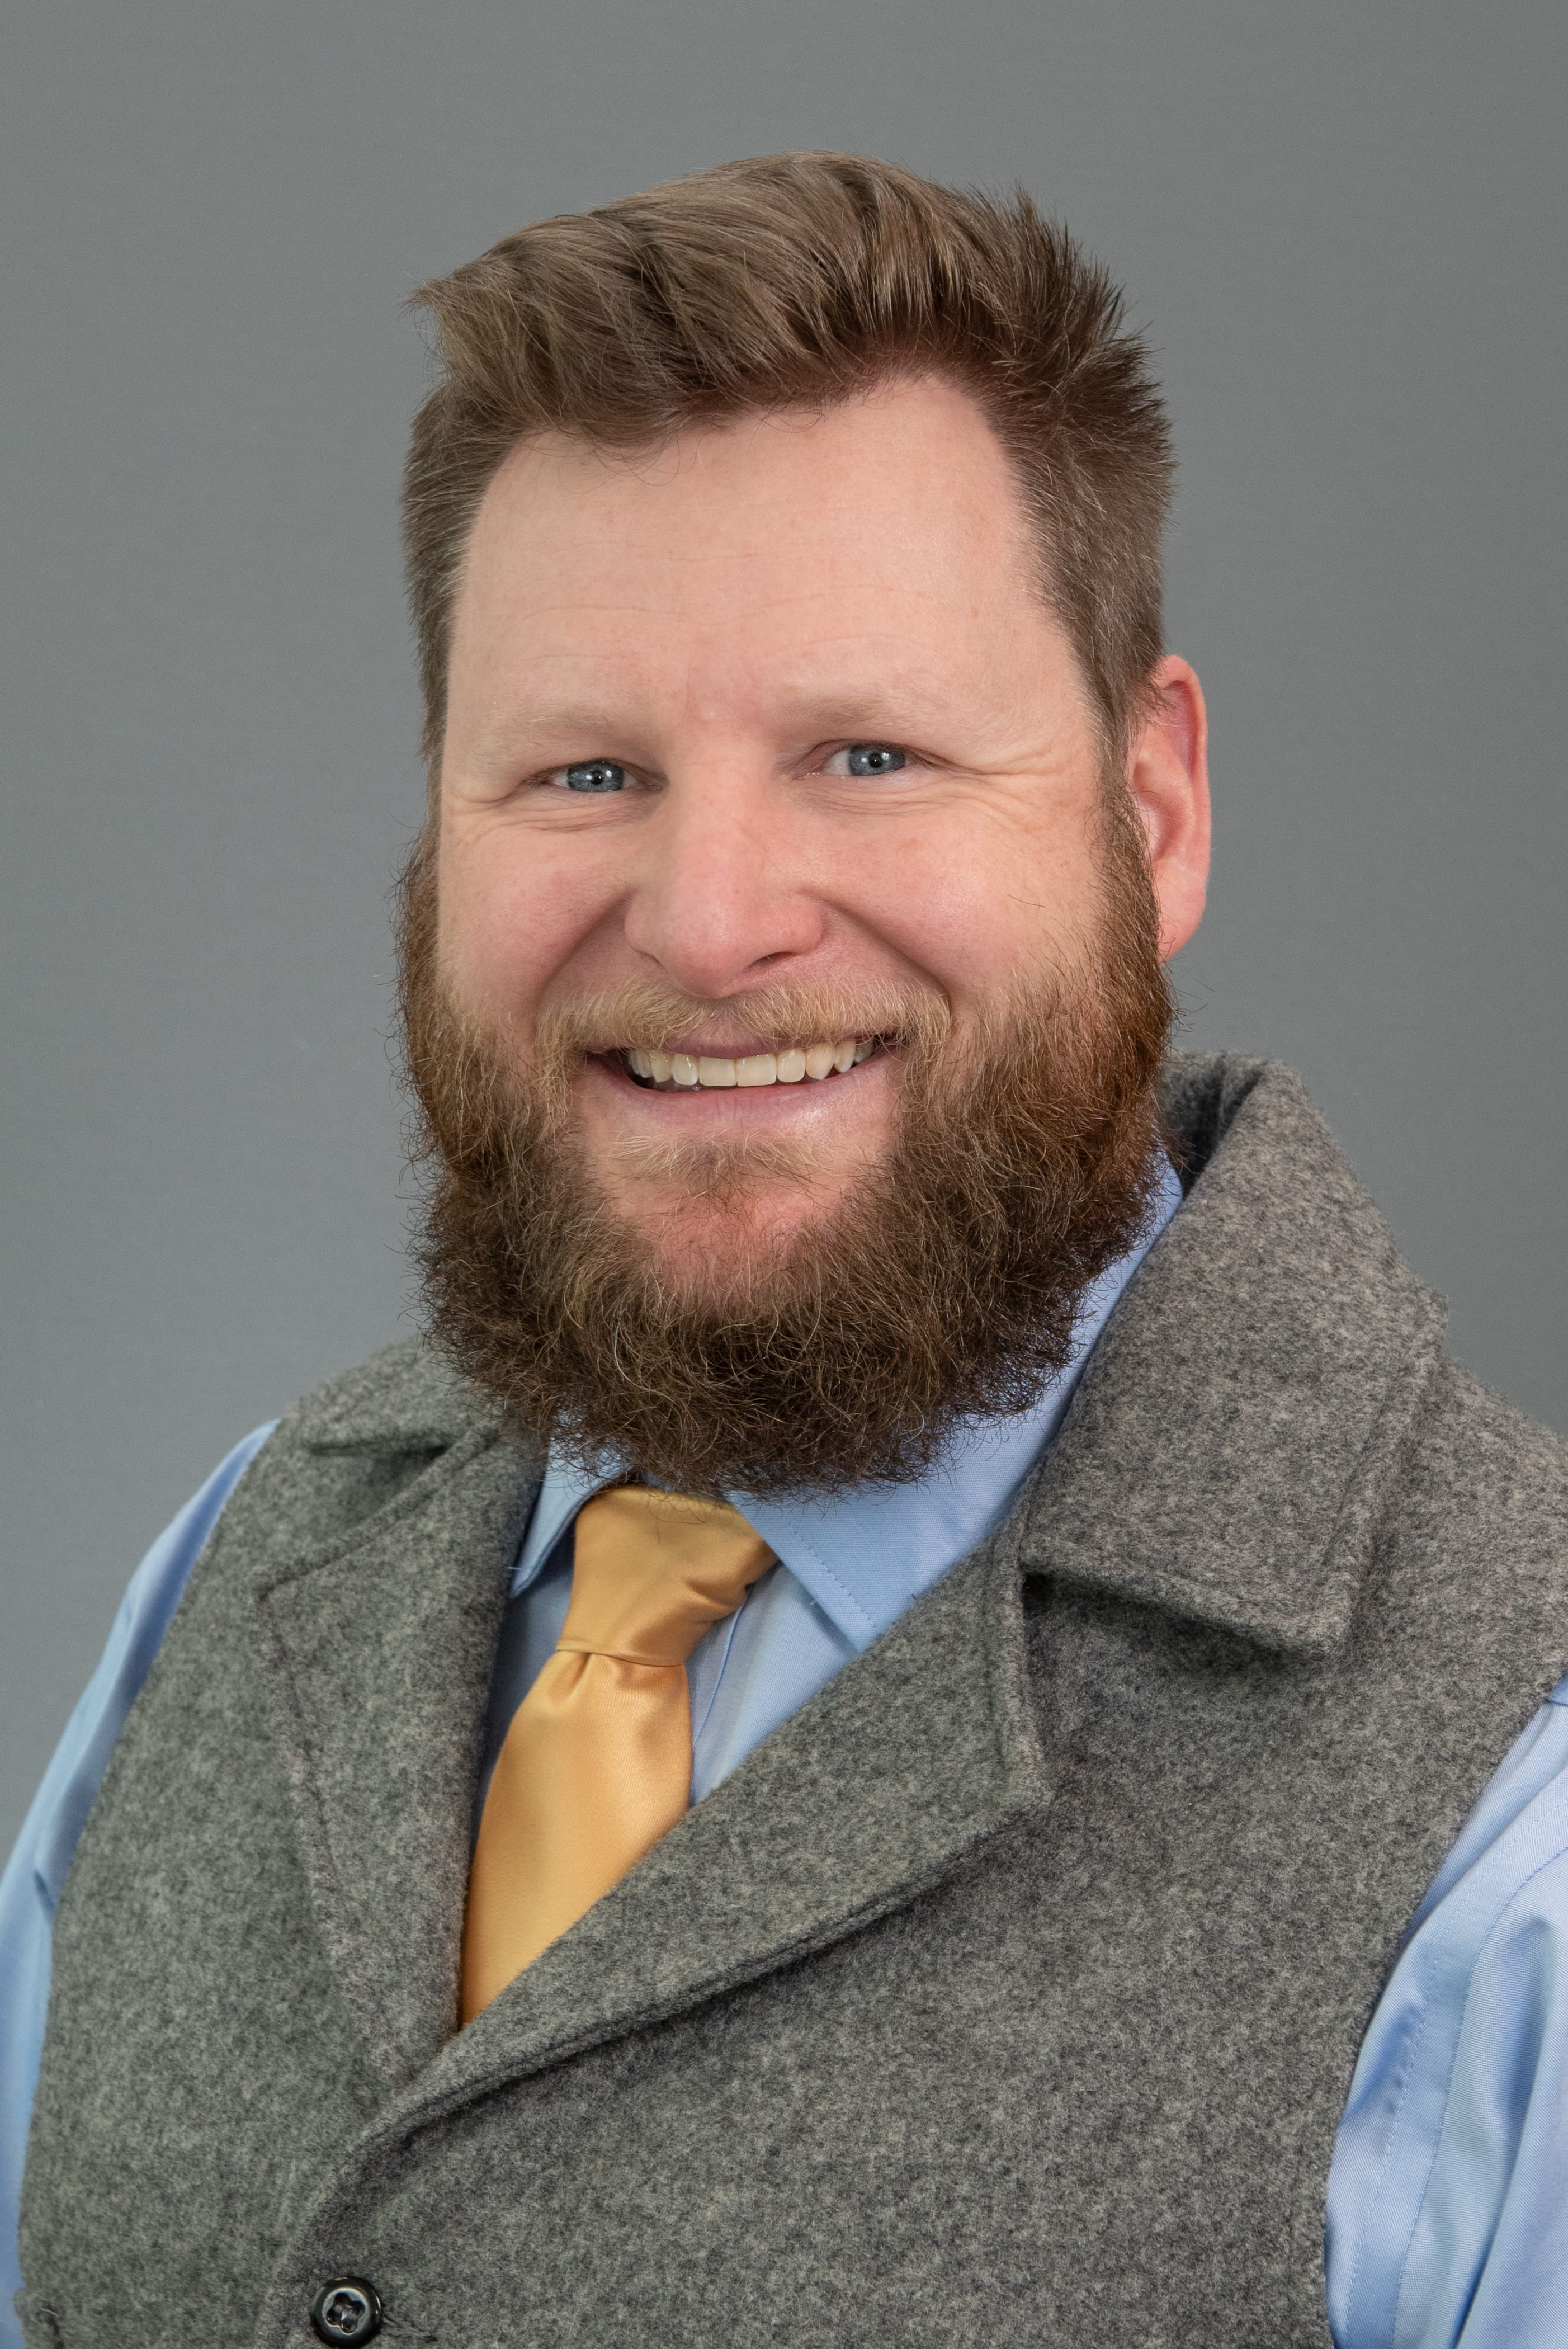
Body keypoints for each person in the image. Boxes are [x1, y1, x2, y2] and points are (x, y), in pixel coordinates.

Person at [4, 152, 1567, 2349]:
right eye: (581, 774)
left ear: (1148, 818)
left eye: (867, 753)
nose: (711, 921)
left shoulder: (1518, 1795)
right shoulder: (243, 1560)